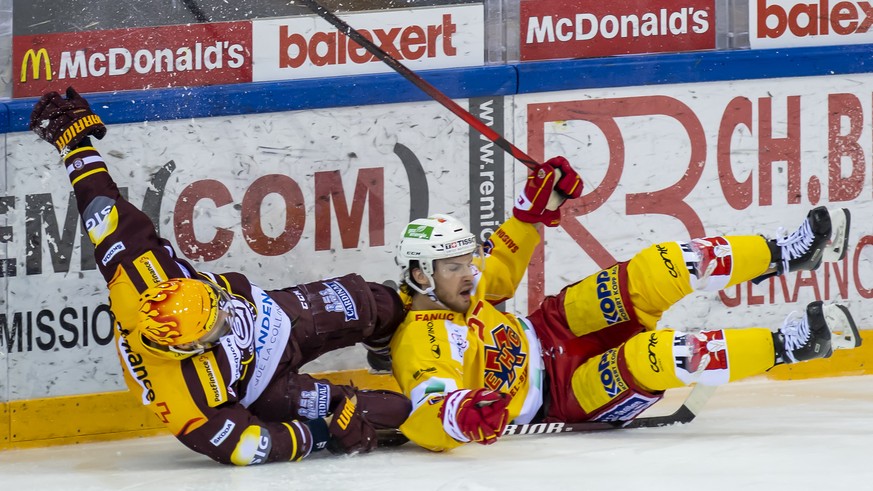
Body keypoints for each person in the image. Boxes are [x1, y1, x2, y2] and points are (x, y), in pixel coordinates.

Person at [30, 87, 411, 465]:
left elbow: (102, 210)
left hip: (272, 317)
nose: (227, 321)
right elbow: (246, 445)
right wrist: (320, 435)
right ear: (185, 349)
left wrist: (74, 145)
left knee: (375, 302)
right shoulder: (182, 397)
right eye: (215, 330)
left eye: (217, 307)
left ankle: (384, 352)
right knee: (373, 412)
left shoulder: (142, 275)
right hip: (263, 390)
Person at [390, 156, 862, 451]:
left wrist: (534, 208)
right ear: (419, 275)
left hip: (554, 326)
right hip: (565, 396)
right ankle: (792, 345)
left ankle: (790, 252)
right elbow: (427, 412)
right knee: (653, 357)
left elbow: (501, 267)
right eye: (452, 267)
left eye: (466, 261)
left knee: (659, 267)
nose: (469, 274)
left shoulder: (464, 287)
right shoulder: (420, 339)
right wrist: (457, 418)